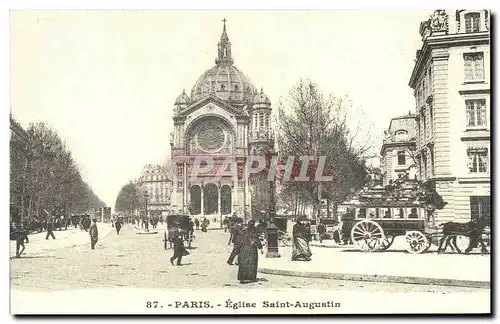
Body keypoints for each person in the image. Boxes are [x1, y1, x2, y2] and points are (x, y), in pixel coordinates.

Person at [237, 220, 263, 284]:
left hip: (244, 249)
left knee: (243, 264)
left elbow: (239, 241)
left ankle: (242, 278)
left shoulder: (244, 231)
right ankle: (252, 277)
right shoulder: (253, 232)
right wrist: (260, 248)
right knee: (252, 263)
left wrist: (238, 250)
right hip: (252, 250)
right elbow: (256, 240)